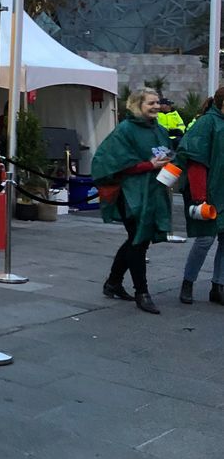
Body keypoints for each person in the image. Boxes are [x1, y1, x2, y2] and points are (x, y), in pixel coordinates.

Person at [91, 87, 172, 315]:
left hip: (153, 191)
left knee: (138, 240)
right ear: (138, 105)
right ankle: (141, 292)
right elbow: (110, 161)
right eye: (151, 103)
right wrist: (148, 165)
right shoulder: (125, 130)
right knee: (138, 239)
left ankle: (113, 282)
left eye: (157, 102)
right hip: (130, 194)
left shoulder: (159, 129)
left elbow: (167, 154)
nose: (156, 106)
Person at [172, 87, 224, 306]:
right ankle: (188, 282)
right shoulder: (207, 123)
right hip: (208, 193)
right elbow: (195, 162)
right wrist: (200, 198)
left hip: (220, 190)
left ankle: (218, 286)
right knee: (205, 239)